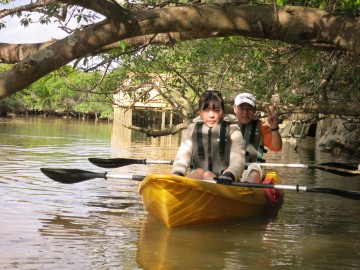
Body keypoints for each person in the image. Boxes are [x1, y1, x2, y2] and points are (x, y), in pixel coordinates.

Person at [171, 90, 246, 184]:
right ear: (200, 112)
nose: (211, 115)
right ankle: (176, 184)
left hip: (224, 181)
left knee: (207, 174)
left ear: (222, 111)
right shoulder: (192, 129)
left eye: (216, 110)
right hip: (198, 180)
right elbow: (182, 156)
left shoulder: (233, 130)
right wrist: (178, 172)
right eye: (206, 110)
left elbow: (238, 160)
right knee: (199, 172)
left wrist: (229, 174)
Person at [233, 92, 282, 183]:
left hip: (252, 169)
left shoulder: (261, 127)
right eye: (241, 108)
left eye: (249, 109)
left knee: (254, 172)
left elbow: (276, 147)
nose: (245, 112)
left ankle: (247, 189)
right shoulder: (226, 127)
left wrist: (274, 127)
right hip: (230, 169)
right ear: (235, 109)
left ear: (255, 110)